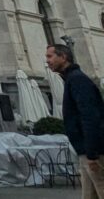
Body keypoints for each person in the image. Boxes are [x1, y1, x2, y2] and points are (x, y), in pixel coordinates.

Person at [46, 43, 104, 197]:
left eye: (50, 56)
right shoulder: (72, 79)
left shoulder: (77, 80)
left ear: (63, 57)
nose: (47, 61)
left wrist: (92, 153)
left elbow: (90, 116)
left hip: (93, 151)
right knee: (90, 195)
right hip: (85, 151)